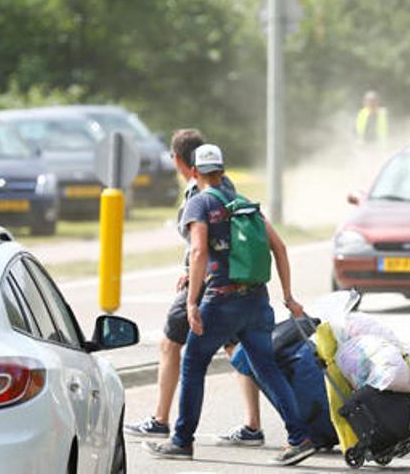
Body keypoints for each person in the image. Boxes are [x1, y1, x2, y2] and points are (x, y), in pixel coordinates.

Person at [143, 143, 317, 466]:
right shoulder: (244, 203)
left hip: (221, 301)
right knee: (266, 367)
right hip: (256, 300)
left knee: (193, 363)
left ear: (194, 172)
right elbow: (279, 248)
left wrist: (192, 302)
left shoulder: (200, 204)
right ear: (222, 170)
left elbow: (198, 253)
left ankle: (181, 441)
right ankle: (299, 437)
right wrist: (289, 296)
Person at [124, 129, 256, 439]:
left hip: (207, 284)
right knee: (236, 347)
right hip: (230, 280)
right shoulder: (225, 185)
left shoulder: (199, 191)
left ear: (179, 160)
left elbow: (200, 246)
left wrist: (192, 291)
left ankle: (161, 420)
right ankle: (253, 425)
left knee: (170, 344)